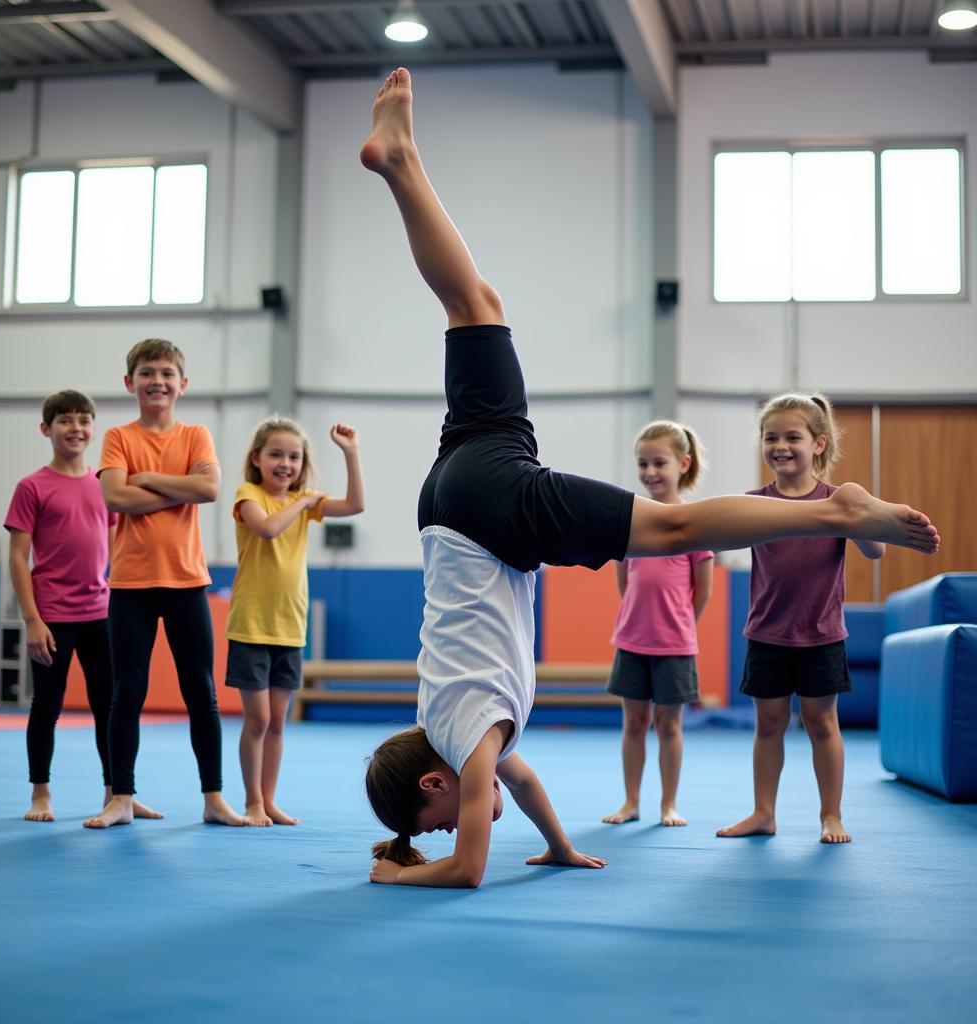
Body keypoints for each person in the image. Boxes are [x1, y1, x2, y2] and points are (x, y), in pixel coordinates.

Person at [360, 68, 938, 888]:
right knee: (475, 305)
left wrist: (399, 873)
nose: (458, 822)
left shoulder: (471, 746)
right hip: (453, 495)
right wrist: (558, 846)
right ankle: (401, 161)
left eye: (443, 816)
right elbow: (521, 784)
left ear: (433, 782)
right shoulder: (459, 734)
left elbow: (466, 872)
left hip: (488, 514)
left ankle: (833, 509)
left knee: (674, 527)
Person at [84, 339, 247, 828]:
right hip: (131, 581)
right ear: (129, 382)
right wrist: (178, 489)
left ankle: (214, 798)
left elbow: (210, 489)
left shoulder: (196, 434)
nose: (158, 380)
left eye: (167, 373)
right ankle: (121, 796)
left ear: (182, 384)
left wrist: (147, 478)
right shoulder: (118, 436)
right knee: (126, 692)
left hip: (186, 579)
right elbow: (114, 497)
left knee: (201, 692)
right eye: (148, 372)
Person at [716, 393, 877, 845]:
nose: (780, 445)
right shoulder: (755, 502)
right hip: (767, 631)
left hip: (821, 632)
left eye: (793, 436)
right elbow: (719, 534)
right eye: (771, 437)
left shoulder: (836, 502)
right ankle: (763, 812)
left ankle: (832, 815)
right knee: (768, 724)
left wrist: (862, 512)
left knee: (822, 723)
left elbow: (877, 549)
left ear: (819, 444)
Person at [5, 390, 160, 824]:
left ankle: (118, 794)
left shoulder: (103, 484)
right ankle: (41, 792)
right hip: (52, 614)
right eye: (65, 421)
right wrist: (32, 620)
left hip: (102, 613)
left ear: (93, 429)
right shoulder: (32, 487)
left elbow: (117, 545)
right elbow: (18, 557)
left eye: (83, 421)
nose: (75, 429)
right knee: (47, 705)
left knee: (110, 706)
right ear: (46, 428)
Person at [226, 416, 365, 826]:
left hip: (289, 626)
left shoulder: (303, 502)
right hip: (251, 624)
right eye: (276, 454)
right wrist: (302, 503)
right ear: (257, 458)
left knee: (279, 723)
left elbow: (355, 505)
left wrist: (351, 454)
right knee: (259, 720)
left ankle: (269, 801)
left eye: (294, 456)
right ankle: (252, 801)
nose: (285, 463)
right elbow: (267, 530)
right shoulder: (248, 494)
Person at [601, 421, 712, 829]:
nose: (650, 471)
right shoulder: (631, 521)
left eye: (659, 462)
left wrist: (680, 626)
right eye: (643, 463)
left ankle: (669, 803)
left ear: (682, 464)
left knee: (669, 724)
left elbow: (703, 592)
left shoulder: (694, 523)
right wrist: (640, 622)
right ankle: (631, 801)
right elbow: (624, 582)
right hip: (632, 640)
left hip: (675, 645)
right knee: (634, 723)